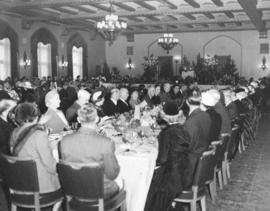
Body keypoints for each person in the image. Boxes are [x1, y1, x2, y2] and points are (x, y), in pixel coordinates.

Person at [60, 104, 120, 199]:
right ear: (96, 119)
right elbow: (112, 174)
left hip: (73, 190)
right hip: (100, 192)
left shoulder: (64, 141)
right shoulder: (106, 142)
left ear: (79, 120)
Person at [144, 101, 190, 211]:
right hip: (184, 173)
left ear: (165, 116)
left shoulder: (166, 133)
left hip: (171, 179)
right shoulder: (184, 129)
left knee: (146, 182)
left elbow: (162, 159)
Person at [9, 103, 61, 197]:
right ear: (36, 117)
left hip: (20, 184)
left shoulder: (14, 133)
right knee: (69, 185)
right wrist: (54, 149)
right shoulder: (39, 135)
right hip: (40, 187)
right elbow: (51, 167)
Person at [184, 87, 211, 187]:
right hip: (200, 160)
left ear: (187, 102)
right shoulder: (206, 115)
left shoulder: (191, 121)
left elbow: (187, 146)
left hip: (190, 167)